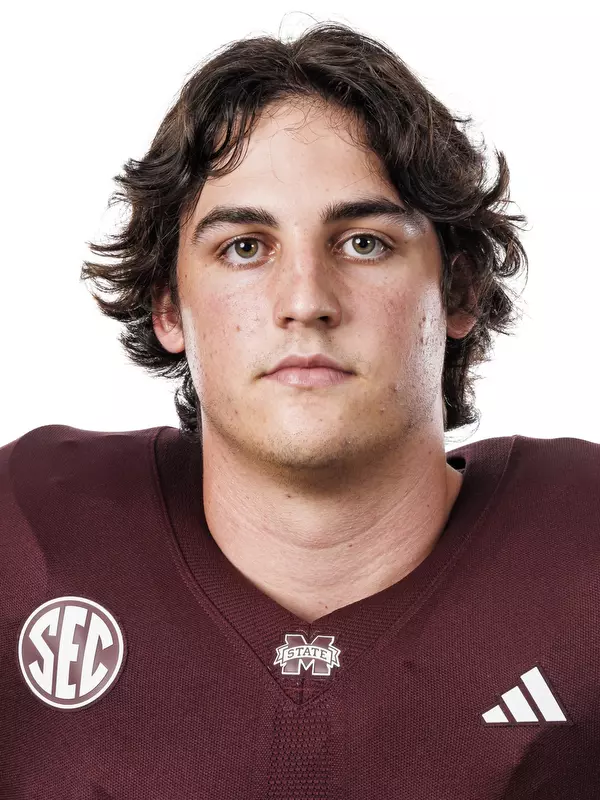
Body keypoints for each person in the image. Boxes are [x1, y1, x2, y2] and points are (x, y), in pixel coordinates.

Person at [2, 20, 599, 800]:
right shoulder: (26, 535)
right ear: (168, 307)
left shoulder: (584, 554)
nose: (306, 302)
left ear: (457, 292)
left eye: (364, 243)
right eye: (244, 247)